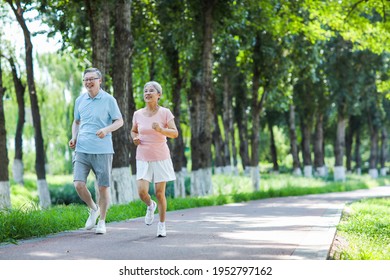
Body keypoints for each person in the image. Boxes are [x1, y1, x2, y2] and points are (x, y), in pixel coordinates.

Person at [69, 68, 123, 234]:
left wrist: (106, 130)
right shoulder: (80, 100)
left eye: (92, 79)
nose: (88, 82)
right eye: (85, 79)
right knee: (78, 184)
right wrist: (74, 138)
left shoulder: (109, 100)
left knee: (103, 187)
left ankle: (102, 221)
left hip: (102, 150)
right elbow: (76, 122)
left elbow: (119, 121)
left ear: (100, 81)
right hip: (82, 149)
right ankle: (93, 208)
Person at [131, 81, 178, 237]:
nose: (147, 93)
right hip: (143, 156)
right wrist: (135, 138)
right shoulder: (137, 114)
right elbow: (133, 131)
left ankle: (162, 224)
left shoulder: (165, 112)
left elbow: (174, 133)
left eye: (151, 90)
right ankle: (150, 206)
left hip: (160, 157)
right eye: (145, 90)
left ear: (159, 95)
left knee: (159, 193)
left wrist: (161, 129)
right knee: (142, 192)